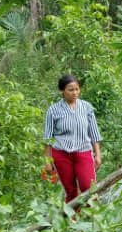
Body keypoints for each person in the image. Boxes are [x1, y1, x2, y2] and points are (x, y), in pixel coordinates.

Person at [43, 75, 103, 206]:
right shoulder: (53, 110)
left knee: (89, 188)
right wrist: (47, 161)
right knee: (71, 191)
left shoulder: (87, 107)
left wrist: (98, 155)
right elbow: (48, 138)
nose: (75, 92)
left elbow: (94, 133)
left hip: (83, 152)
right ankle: (73, 221)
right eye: (71, 90)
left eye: (77, 89)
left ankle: (92, 218)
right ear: (62, 91)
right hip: (62, 154)